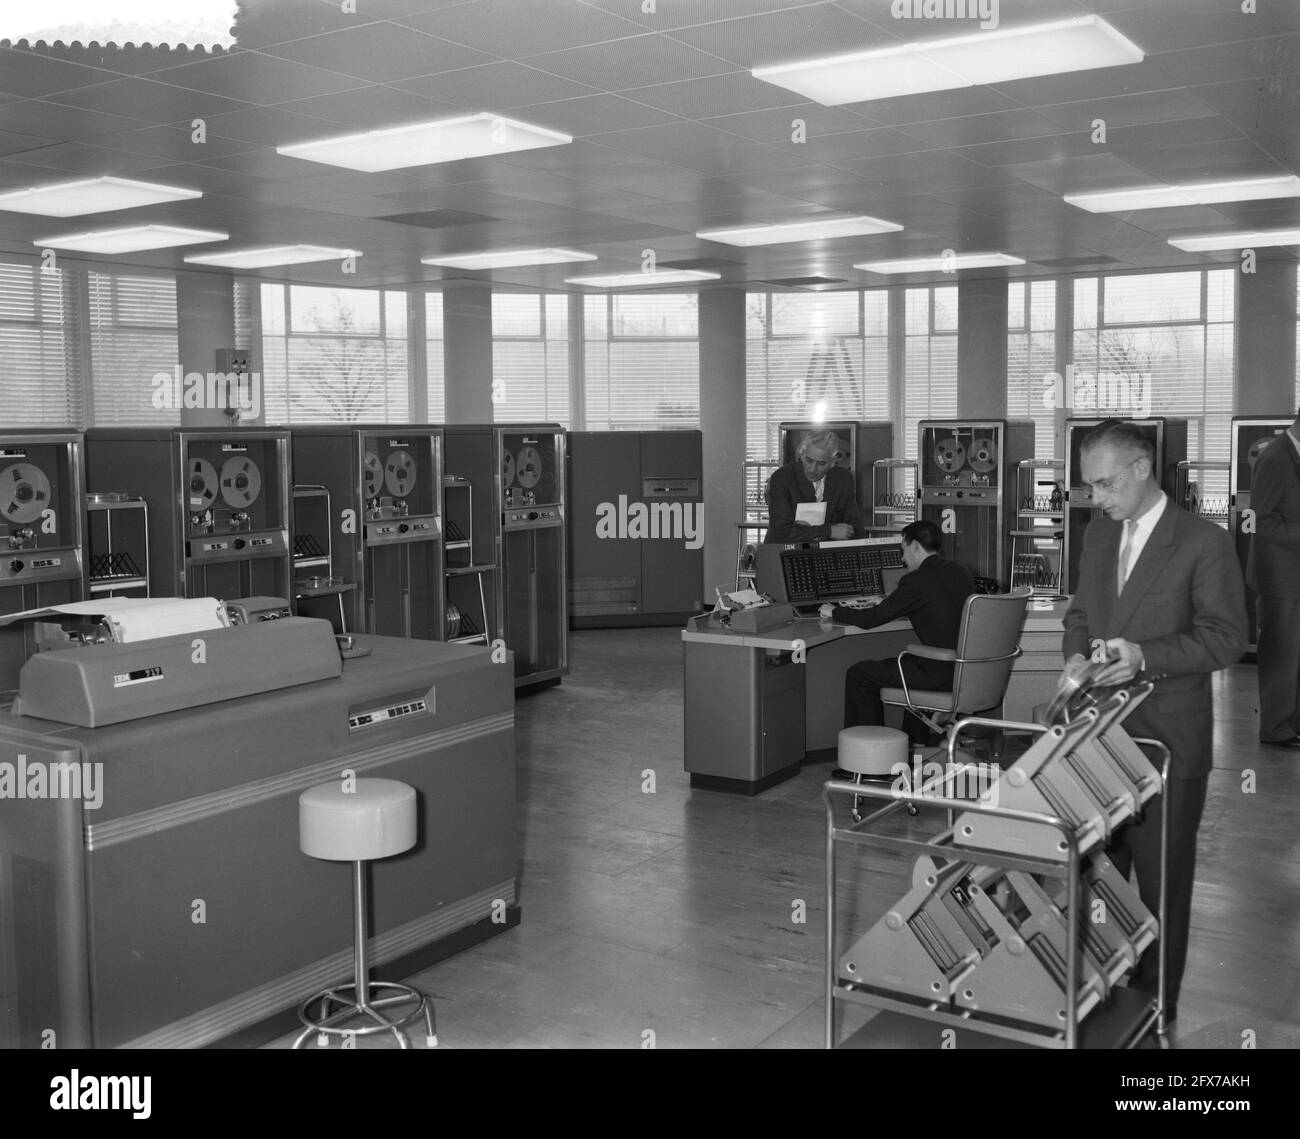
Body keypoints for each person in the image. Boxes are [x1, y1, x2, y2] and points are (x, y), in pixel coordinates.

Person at [1059, 419, 1247, 1022]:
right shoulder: (1095, 538)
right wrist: (1077, 653)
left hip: (1168, 740)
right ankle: (1097, 998)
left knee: (1161, 890)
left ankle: (1154, 1011)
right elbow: (1082, 613)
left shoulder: (1202, 541)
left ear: (1142, 469)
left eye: (1106, 484)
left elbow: (1226, 640)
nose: (1097, 499)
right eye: (1088, 487)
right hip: (1097, 740)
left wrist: (1145, 657)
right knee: (1095, 880)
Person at [822, 518, 974, 745]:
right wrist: (888, 601)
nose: (903, 559)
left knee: (859, 674)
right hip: (967, 672)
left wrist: (834, 612)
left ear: (914, 546)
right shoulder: (960, 572)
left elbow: (871, 619)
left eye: (903, 551)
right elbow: (937, 604)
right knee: (910, 665)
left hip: (939, 675)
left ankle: (869, 757)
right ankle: (917, 744)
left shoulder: (916, 581)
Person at [1246, 408, 1300, 750]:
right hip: (1279, 578)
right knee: (1282, 655)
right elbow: (1258, 521)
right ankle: (1276, 728)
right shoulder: (1274, 458)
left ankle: (1291, 724)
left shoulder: (1292, 455)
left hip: (1293, 573)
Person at [764, 430, 864, 544]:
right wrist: (830, 531)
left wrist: (802, 531)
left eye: (821, 463)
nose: (812, 469)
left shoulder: (843, 479)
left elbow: (855, 529)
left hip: (823, 556)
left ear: (833, 462)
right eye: (808, 460)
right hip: (779, 554)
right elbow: (782, 532)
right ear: (801, 454)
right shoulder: (782, 478)